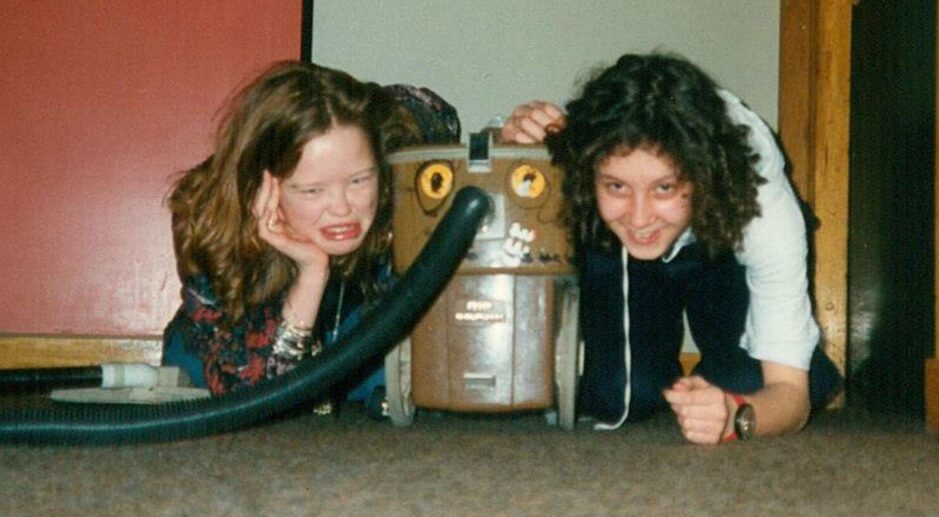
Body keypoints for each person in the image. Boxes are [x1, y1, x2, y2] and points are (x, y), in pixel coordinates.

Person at [501, 53, 839, 444]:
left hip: (719, 243)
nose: (640, 218)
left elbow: (790, 394)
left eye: (664, 187)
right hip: (617, 245)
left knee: (748, 383)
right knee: (622, 400)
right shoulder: (580, 139)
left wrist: (736, 415)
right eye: (616, 186)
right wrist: (511, 144)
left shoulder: (761, 202)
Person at [161, 61, 459, 412]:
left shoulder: (404, 147)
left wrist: (520, 136)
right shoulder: (212, 227)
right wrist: (311, 272)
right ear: (264, 186)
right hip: (240, 330)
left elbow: (438, 117)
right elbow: (251, 397)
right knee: (197, 374)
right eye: (312, 190)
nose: (341, 208)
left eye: (359, 180)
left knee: (402, 366)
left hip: (359, 316)